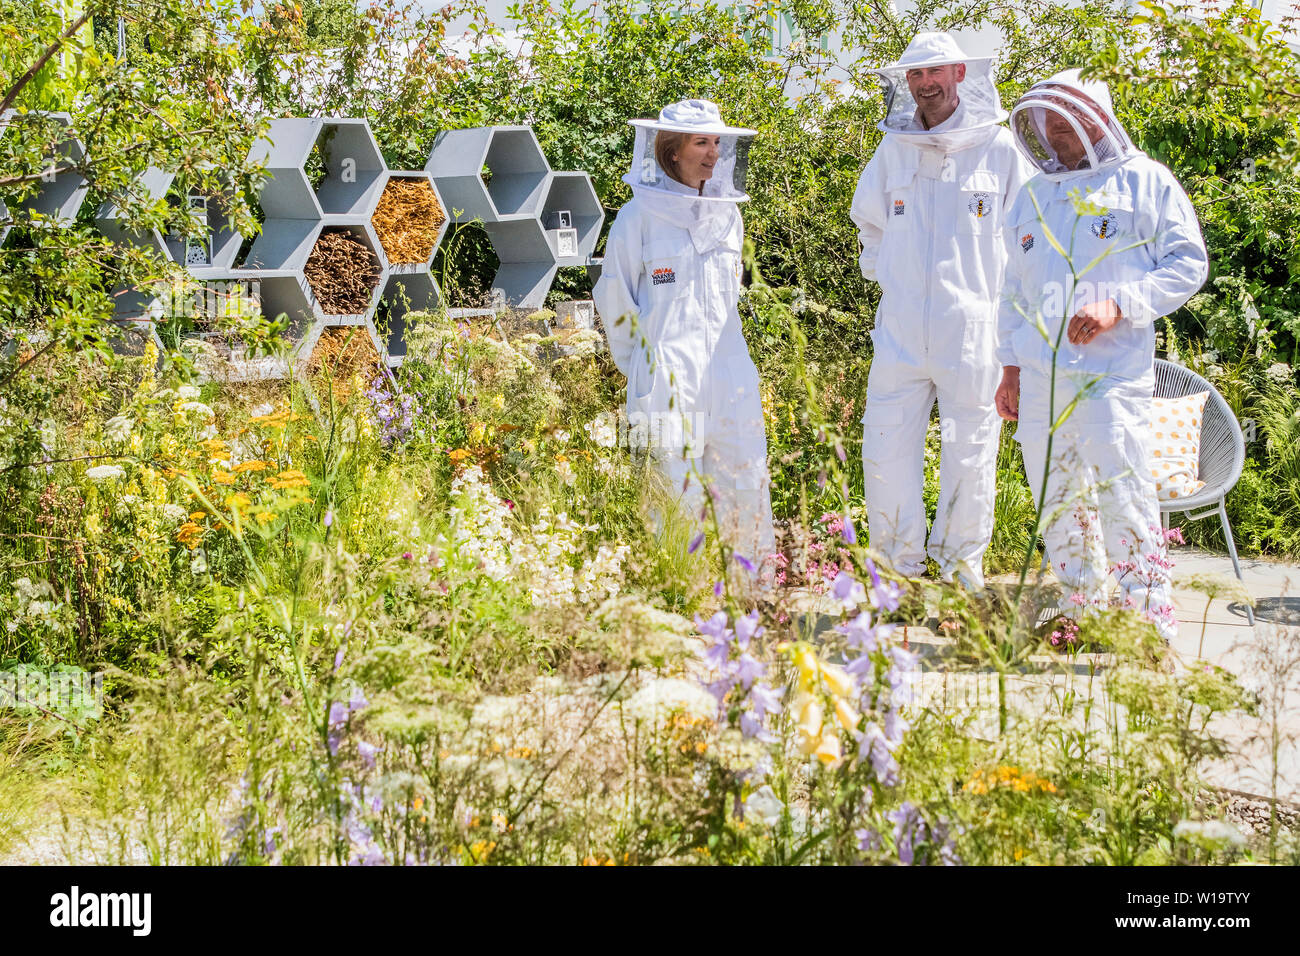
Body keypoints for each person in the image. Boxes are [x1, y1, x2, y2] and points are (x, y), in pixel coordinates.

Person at [994, 69, 1209, 638]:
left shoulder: (1146, 182)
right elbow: (1013, 290)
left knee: (1123, 493)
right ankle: (1078, 611)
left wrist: (1123, 303)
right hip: (1040, 376)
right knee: (1056, 496)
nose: (1055, 131)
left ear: (1097, 117)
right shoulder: (1034, 193)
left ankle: (1148, 623)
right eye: (1047, 122)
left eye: (1066, 119)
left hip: (1112, 375)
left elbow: (1189, 263)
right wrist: (1009, 368)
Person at [850, 32, 1033, 589]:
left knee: (970, 455)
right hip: (901, 334)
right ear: (905, 83)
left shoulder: (999, 151)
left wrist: (1011, 334)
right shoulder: (894, 148)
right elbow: (871, 227)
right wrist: (893, 279)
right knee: (884, 452)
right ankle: (896, 573)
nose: (925, 84)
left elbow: (1028, 245)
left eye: (935, 73)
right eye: (915, 75)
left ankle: (958, 573)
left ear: (960, 74)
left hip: (974, 334)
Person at [593, 99, 776, 567]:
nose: (713, 153)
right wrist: (645, 370)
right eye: (701, 142)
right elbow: (615, 303)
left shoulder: (728, 217)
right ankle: (683, 604)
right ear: (672, 151)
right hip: (667, 382)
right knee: (672, 495)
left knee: (745, 485)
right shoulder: (637, 218)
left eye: (717, 142)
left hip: (731, 374)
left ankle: (749, 602)